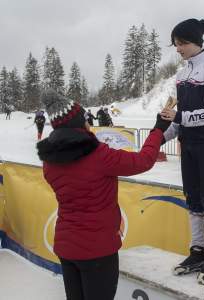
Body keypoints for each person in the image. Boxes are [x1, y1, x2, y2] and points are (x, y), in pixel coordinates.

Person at [36, 88, 171, 300]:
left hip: (66, 246)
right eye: (85, 119)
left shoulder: (49, 162)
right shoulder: (99, 156)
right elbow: (143, 160)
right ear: (80, 124)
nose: (89, 123)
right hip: (98, 250)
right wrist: (158, 130)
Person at [161, 18, 204, 285]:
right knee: (193, 199)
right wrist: (160, 138)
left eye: (182, 43)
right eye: (176, 44)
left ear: (195, 42)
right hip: (187, 144)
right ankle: (197, 249)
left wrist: (182, 118)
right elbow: (178, 119)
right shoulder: (181, 75)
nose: (178, 48)